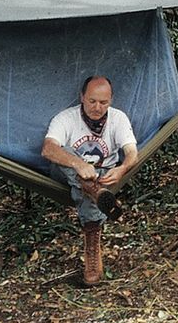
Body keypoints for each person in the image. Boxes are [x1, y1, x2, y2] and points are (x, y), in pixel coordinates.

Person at [41, 75, 138, 285]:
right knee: (63, 153)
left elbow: (132, 153)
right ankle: (95, 193)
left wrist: (122, 169)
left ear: (111, 100)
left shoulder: (118, 118)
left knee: (89, 189)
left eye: (103, 102)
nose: (97, 107)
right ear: (82, 97)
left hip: (102, 176)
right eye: (92, 101)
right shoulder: (65, 119)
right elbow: (48, 149)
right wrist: (78, 164)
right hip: (65, 175)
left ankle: (92, 198)